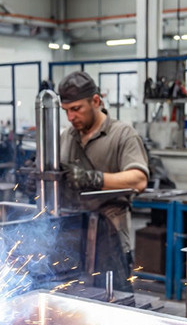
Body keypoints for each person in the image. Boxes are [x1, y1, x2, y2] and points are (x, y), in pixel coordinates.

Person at [57, 71, 149, 293]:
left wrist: (94, 178)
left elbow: (139, 180)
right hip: (72, 235)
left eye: (76, 109)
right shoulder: (66, 137)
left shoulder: (122, 135)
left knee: (114, 304)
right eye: (66, 111)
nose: (70, 117)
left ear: (96, 101)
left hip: (110, 238)